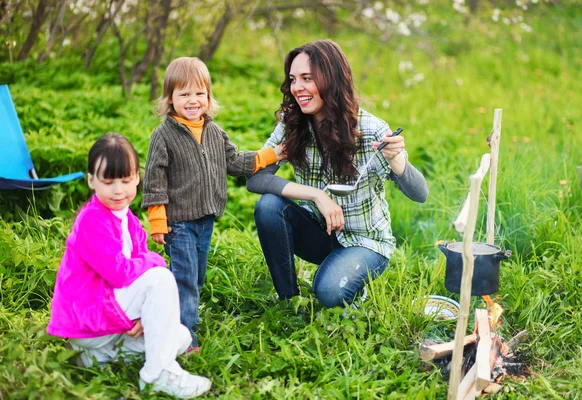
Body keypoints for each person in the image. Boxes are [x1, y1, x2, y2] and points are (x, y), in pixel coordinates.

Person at [247, 40, 429, 308]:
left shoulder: (369, 129)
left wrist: (397, 161)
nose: (297, 88)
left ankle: (351, 281)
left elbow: (420, 194)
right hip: (320, 232)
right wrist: (316, 195)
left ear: (330, 78)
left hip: (366, 242)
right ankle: (288, 302)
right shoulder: (293, 124)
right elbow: (256, 178)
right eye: (293, 79)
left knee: (329, 293)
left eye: (307, 78)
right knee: (269, 206)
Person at [47, 133, 211, 398]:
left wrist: (142, 316)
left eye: (125, 180)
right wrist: (157, 261)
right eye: (108, 181)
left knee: (179, 336)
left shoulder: (129, 220)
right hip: (89, 319)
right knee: (160, 277)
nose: (118, 190)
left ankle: (97, 358)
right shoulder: (92, 221)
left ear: (136, 178)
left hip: (108, 325)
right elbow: (122, 273)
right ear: (91, 181)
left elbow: (138, 274)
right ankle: (157, 374)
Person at [142, 57, 285, 346]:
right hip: (178, 222)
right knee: (184, 278)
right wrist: (158, 219)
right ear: (170, 98)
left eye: (199, 93)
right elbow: (154, 178)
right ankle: (185, 338)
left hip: (205, 220)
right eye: (184, 94)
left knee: (196, 276)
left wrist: (271, 155)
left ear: (208, 97)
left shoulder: (215, 132)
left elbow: (234, 162)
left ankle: (172, 317)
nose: (193, 101)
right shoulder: (164, 135)